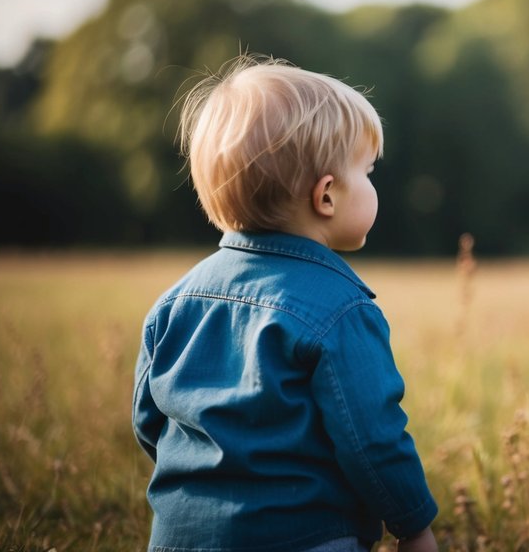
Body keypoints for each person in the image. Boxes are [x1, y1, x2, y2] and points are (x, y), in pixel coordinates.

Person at [133, 55, 438, 552]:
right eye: (367, 171)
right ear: (326, 197)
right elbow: (373, 441)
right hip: (307, 537)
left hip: (177, 539)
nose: (373, 183)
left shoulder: (172, 304)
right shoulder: (341, 309)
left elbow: (149, 422)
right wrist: (415, 525)